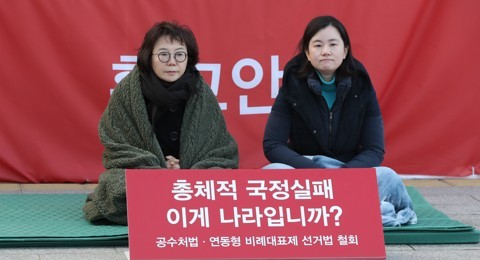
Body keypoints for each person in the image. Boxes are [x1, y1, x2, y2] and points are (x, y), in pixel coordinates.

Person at [263, 15, 416, 227]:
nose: (326, 51)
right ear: (307, 53)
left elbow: (374, 149)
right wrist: (316, 174)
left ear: (344, 51)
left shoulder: (361, 86)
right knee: (273, 173)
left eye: (333, 44)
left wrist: (345, 177)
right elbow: (273, 145)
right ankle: (357, 210)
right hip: (306, 173)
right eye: (317, 45)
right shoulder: (293, 85)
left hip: (350, 172)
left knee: (388, 176)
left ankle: (320, 211)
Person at [83, 21, 239, 225]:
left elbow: (218, 146)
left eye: (180, 55)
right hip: (143, 172)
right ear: (149, 57)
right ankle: (175, 204)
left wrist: (184, 167)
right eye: (164, 54)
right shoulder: (128, 91)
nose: (172, 62)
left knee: (222, 183)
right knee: (117, 186)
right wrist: (159, 167)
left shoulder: (201, 92)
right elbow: (116, 143)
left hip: (191, 172)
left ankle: (164, 202)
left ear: (188, 58)